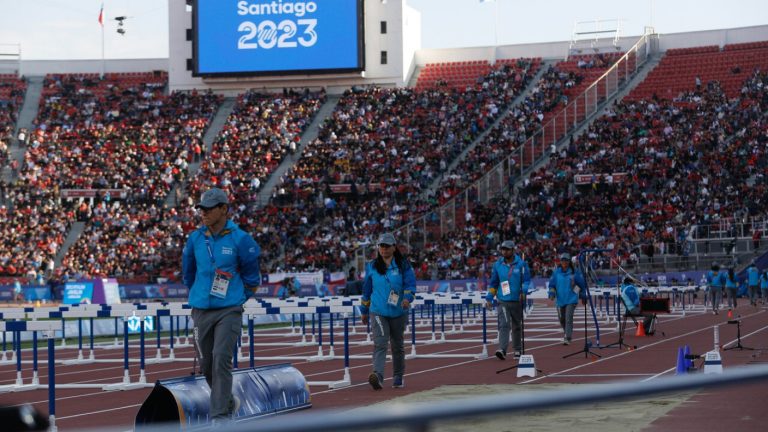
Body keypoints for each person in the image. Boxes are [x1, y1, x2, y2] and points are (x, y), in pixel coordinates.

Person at [182, 188, 261, 424]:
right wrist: (199, 294)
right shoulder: (195, 238)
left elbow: (252, 278)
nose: (203, 213)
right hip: (201, 310)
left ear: (224, 209)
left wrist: (235, 299)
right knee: (207, 363)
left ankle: (220, 418)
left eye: (208, 209)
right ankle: (227, 402)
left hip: (229, 310)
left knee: (221, 358)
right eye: (201, 209)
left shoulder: (242, 239)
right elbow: (188, 274)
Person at [360, 233, 415, 390]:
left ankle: (398, 376)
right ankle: (377, 375)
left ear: (394, 247)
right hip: (377, 311)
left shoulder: (403, 265)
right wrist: (364, 310)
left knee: (397, 345)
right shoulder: (371, 266)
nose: (383, 249)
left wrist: (407, 298)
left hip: (398, 311)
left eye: (386, 246)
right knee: (380, 343)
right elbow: (366, 290)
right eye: (381, 246)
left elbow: (410, 285)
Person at [486, 240, 531, 360]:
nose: (504, 251)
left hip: (517, 299)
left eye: (507, 249)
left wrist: (524, 291)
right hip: (503, 299)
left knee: (516, 325)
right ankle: (502, 349)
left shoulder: (521, 264)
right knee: (504, 324)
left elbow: (526, 280)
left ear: (512, 250)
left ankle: (517, 349)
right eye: (503, 249)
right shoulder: (498, 265)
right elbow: (494, 283)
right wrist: (489, 298)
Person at [548, 253, 586, 345]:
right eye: (562, 260)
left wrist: (583, 296)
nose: (564, 262)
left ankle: (567, 337)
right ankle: (566, 332)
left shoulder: (575, 272)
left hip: (571, 299)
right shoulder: (556, 272)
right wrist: (552, 293)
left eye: (566, 260)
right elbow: (552, 285)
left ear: (569, 262)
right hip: (560, 299)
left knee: (568, 318)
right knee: (562, 319)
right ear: (560, 262)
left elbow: (582, 285)